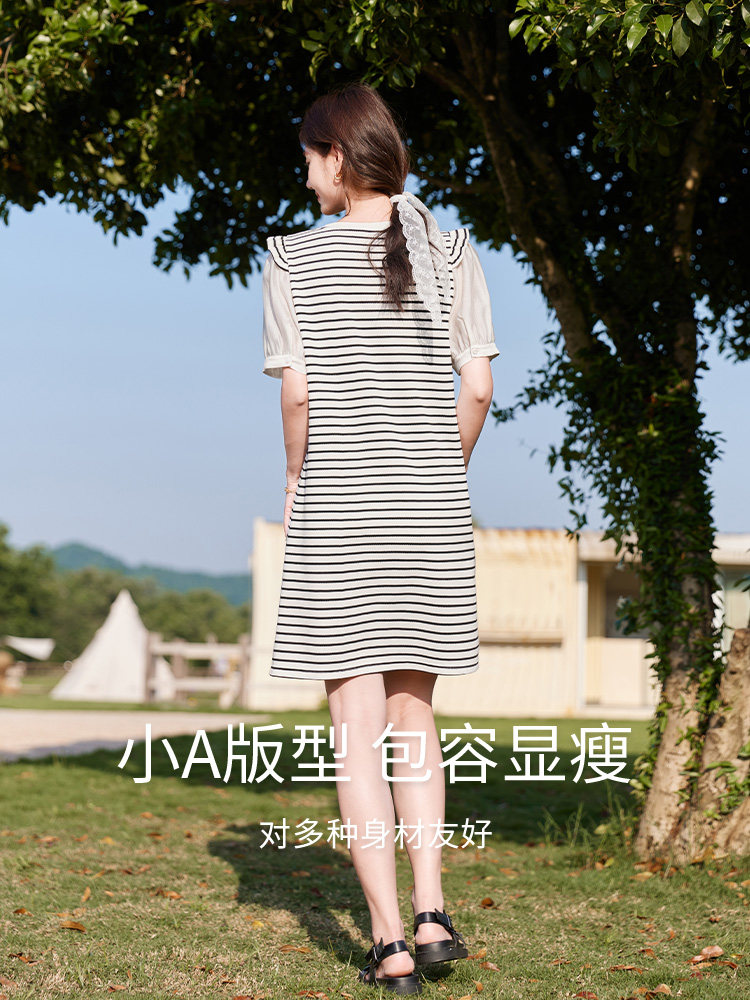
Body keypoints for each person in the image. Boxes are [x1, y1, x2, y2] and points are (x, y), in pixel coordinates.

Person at [261, 82, 498, 994]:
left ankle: (390, 942)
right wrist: (441, 469)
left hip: (340, 506)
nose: (305, 178)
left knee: (355, 732)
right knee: (415, 721)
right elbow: (477, 386)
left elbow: (298, 394)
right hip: (429, 508)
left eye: (307, 160)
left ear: (335, 155)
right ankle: (434, 917)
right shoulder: (452, 246)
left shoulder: (292, 257)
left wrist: (296, 480)